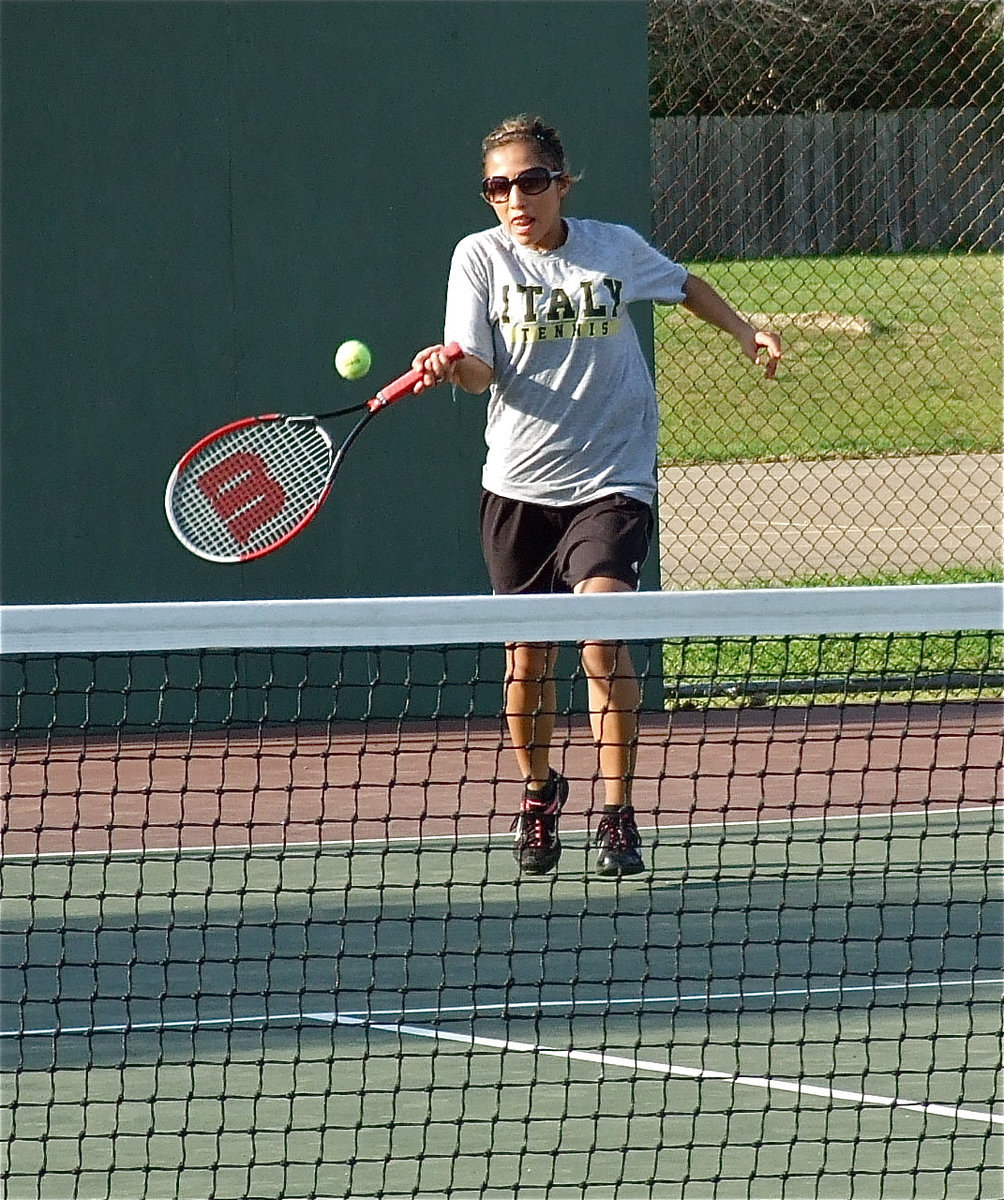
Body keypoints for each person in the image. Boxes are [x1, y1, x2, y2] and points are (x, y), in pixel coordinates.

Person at [412, 114, 781, 879]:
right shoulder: (478, 258)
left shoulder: (611, 248)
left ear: (562, 183)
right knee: (527, 663)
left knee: (603, 642)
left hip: (612, 480)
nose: (516, 199)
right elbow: (479, 369)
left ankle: (617, 812)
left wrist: (745, 331)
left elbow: (684, 285)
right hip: (517, 488)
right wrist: (452, 367)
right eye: (498, 187)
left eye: (530, 181)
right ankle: (540, 793)